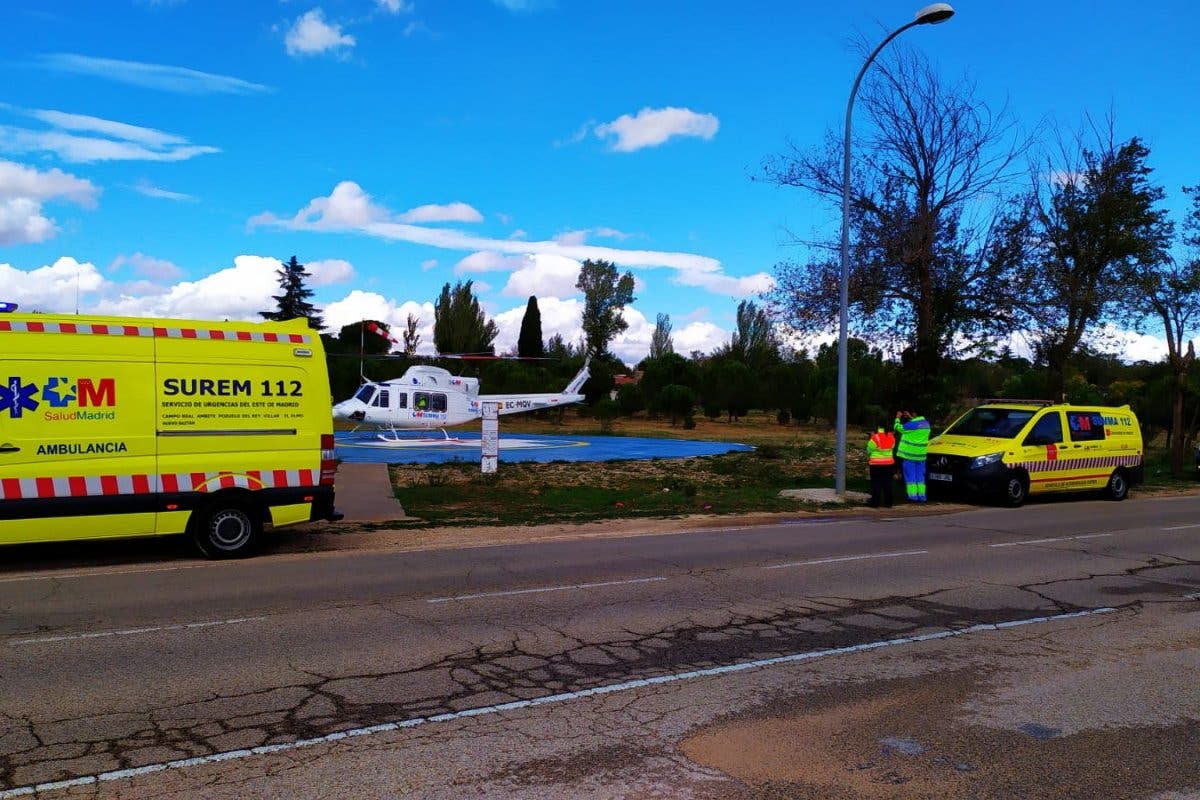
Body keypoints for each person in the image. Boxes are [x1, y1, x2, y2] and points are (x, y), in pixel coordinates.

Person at [895, 410, 931, 502]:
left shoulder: (911, 424)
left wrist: (897, 418)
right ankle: (922, 497)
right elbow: (918, 425)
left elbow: (898, 428)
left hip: (910, 455)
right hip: (921, 456)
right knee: (920, 477)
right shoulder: (926, 423)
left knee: (910, 477)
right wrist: (911, 417)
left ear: (915, 414)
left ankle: (913, 497)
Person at [866, 423, 896, 508]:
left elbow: (868, 449)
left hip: (876, 465)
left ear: (878, 427)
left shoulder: (875, 437)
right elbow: (892, 446)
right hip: (889, 464)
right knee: (888, 483)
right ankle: (888, 503)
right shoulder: (891, 436)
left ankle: (875, 503)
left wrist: (871, 437)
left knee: (876, 483)